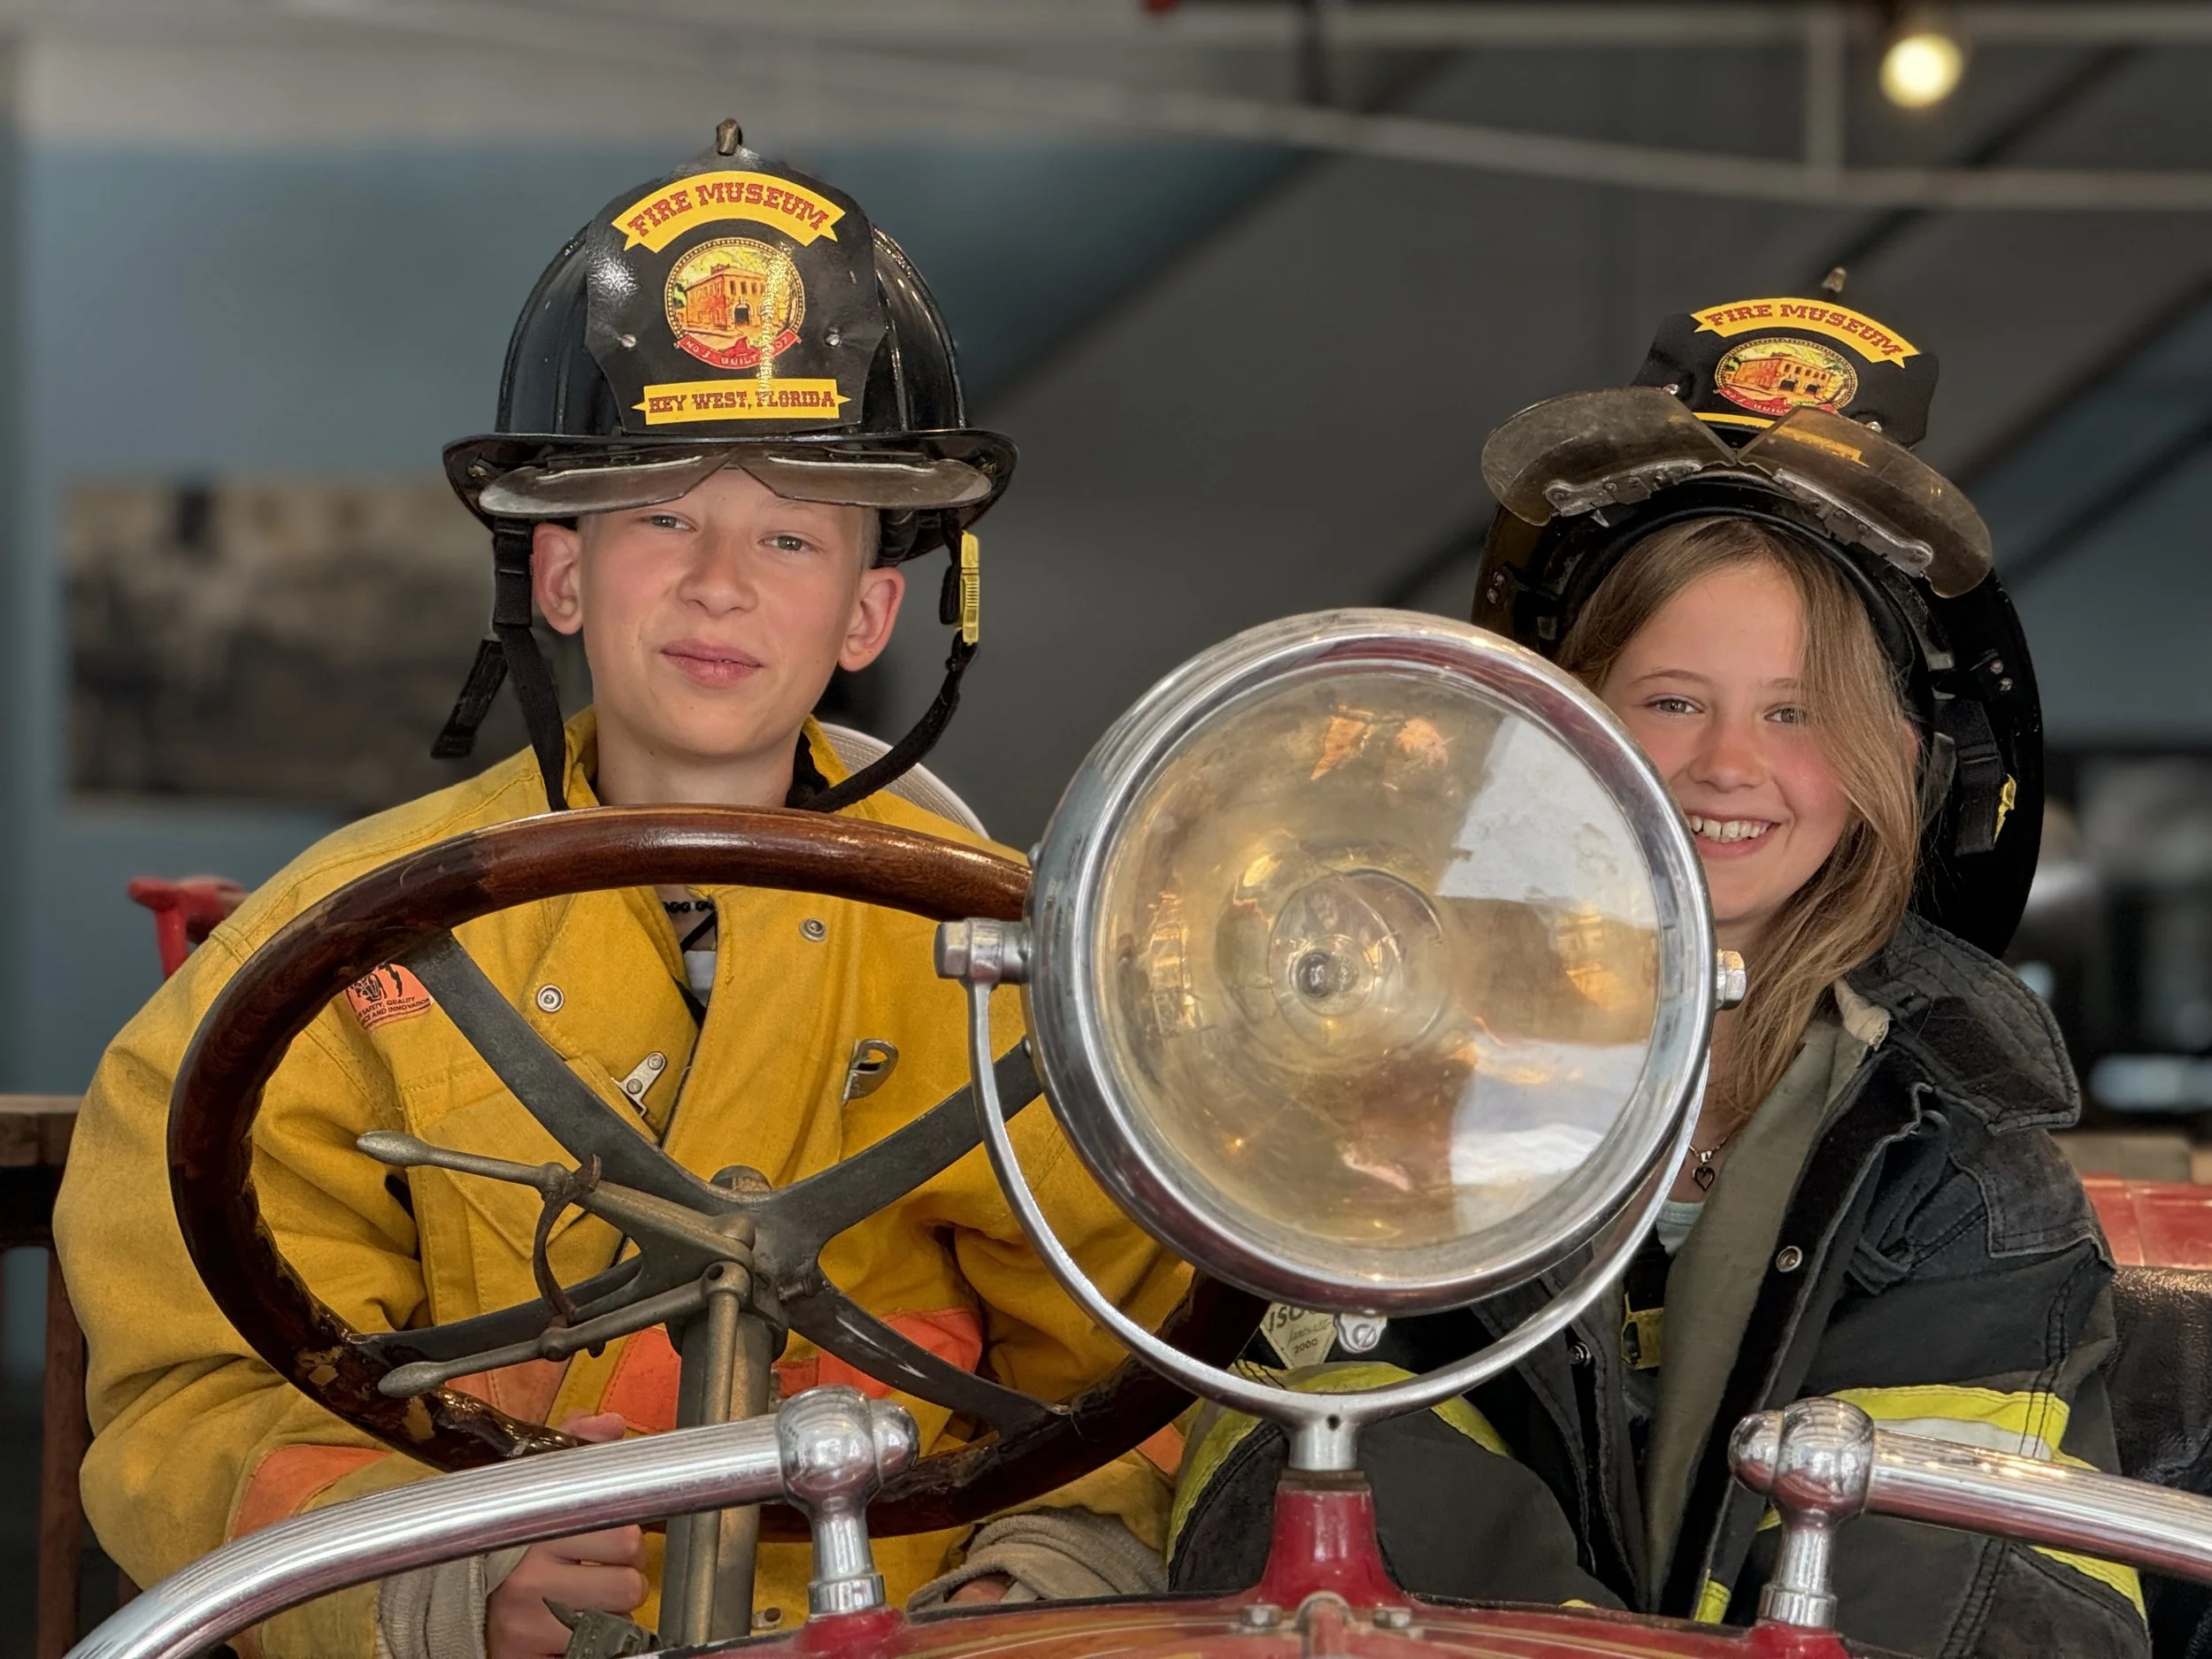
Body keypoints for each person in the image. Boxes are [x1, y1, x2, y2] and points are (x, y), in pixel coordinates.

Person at [55, 124, 1187, 1659]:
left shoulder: (1014, 964)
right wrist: (433, 1584)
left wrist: (1040, 1584)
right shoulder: (333, 954)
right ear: (564, 577)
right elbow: (187, 1392)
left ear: (867, 612)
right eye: (662, 514)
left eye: (789, 533)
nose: (721, 580)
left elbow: (1143, 1356)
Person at [1168, 288, 2147, 1657]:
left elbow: (1978, 1600)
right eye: (1672, 699)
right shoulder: (1388, 1087)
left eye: (1798, 711)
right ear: (1558, 725)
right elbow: (1287, 1486)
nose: (1726, 766)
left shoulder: (1967, 1162)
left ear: (1888, 768)